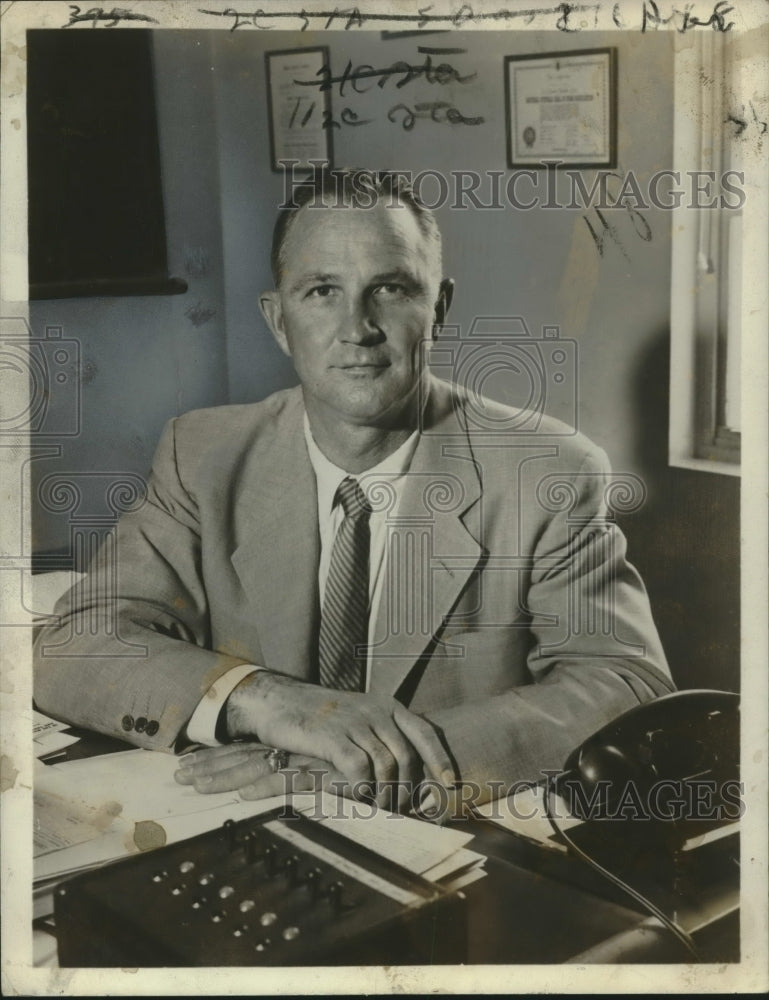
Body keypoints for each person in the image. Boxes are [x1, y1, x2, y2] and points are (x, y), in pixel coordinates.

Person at [33, 168, 674, 815]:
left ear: (438, 309)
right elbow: (73, 644)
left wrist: (385, 759)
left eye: (390, 289)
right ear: (278, 319)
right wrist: (269, 701)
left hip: (439, 831)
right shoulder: (203, 453)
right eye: (320, 291)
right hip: (238, 810)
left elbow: (624, 680)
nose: (357, 327)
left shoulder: (546, 470)